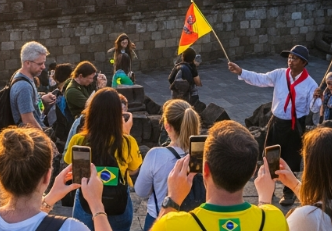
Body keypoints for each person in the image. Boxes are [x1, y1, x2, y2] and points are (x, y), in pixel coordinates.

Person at [227, 44, 321, 206]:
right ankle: (268, 188)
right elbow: (260, 79)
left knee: (291, 158)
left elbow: (313, 108)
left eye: (295, 58)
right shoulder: (279, 74)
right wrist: (241, 71)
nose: (290, 61)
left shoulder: (310, 84)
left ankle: (289, 192)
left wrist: (317, 97)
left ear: (303, 62)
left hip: (295, 125)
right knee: (270, 155)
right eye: (290, 57)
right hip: (276, 122)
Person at [0, 127, 111, 231]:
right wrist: (96, 205)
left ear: (0, 171)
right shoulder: (70, 227)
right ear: (48, 176)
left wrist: (50, 199)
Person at [151, 120, 287, 231]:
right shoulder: (275, 220)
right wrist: (264, 201)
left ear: (205, 170)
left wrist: (173, 198)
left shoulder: (174, 225)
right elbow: (266, 218)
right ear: (253, 171)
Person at [64, 88, 141, 231]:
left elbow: (70, 164)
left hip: (86, 198)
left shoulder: (79, 140)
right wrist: (126, 134)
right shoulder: (128, 142)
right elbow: (133, 170)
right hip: (118, 201)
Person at [135, 100, 201, 231]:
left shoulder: (155, 155)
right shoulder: (204, 155)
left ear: (167, 126)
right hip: (195, 220)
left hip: (160, 218)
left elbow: (141, 191)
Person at [10, 42, 56, 131]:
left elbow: (27, 101)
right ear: (27, 63)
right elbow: (29, 122)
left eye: (44, 63)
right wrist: (47, 142)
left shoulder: (23, 77)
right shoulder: (24, 87)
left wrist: (42, 98)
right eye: (40, 64)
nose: (43, 67)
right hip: (34, 140)